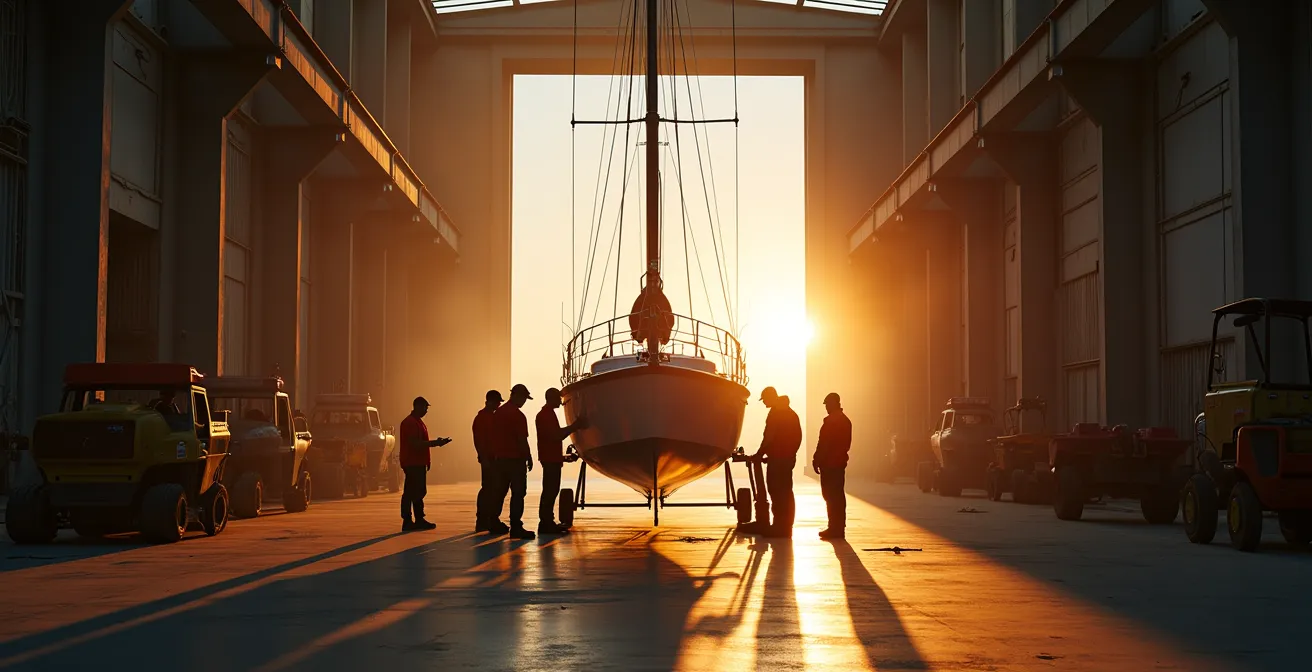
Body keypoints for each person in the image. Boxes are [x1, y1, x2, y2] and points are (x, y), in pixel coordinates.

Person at [751, 386, 802, 538]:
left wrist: (760, 454)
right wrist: (788, 454)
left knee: (776, 490)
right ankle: (786, 527)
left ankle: (779, 527)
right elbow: (797, 437)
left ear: (770, 397)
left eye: (764, 399)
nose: (764, 403)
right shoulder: (791, 413)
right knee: (786, 491)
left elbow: (770, 436)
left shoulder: (776, 413)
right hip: (786, 458)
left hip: (779, 459)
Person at [536, 388, 588, 535]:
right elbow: (556, 436)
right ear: (551, 399)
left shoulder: (547, 414)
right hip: (550, 459)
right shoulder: (546, 415)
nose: (560, 401)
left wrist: (563, 458)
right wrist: (575, 426)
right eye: (558, 398)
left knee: (551, 490)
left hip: (551, 458)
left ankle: (547, 522)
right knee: (550, 491)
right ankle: (546, 523)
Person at [488, 383, 536, 540]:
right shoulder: (518, 415)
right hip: (515, 460)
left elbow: (492, 436)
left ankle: (493, 522)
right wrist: (528, 457)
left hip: (500, 460)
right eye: (523, 398)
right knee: (518, 493)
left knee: (499, 492)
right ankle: (516, 526)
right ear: (516, 396)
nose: (524, 402)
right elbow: (522, 439)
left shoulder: (498, 413)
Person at [398, 396, 452, 532]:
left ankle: (418, 519)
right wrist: (436, 443)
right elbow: (415, 444)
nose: (426, 411)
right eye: (425, 408)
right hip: (412, 463)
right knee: (410, 492)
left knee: (418, 491)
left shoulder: (418, 422)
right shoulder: (410, 423)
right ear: (417, 407)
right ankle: (408, 520)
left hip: (418, 463)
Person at [812, 392, 853, 540]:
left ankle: (834, 528)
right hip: (838, 463)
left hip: (830, 464)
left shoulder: (831, 421)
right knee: (837, 496)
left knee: (830, 495)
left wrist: (817, 459)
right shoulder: (845, 421)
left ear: (834, 403)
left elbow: (824, 443)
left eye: (828, 404)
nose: (826, 408)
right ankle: (838, 527)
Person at [473, 390, 506, 534]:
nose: (499, 405)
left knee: (493, 489)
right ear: (490, 401)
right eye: (497, 402)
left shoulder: (492, 417)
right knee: (488, 489)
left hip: (495, 459)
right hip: (489, 459)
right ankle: (482, 520)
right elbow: (479, 441)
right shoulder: (482, 418)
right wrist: (484, 458)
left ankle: (489, 519)